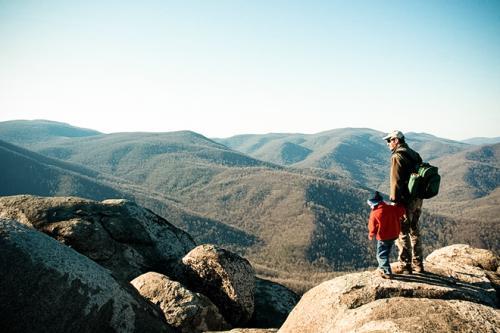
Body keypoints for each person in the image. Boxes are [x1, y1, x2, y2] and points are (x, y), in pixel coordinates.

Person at [383, 130, 424, 274]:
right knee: (415, 230)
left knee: (403, 232)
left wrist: (394, 201)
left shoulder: (397, 156)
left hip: (405, 200)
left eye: (389, 140)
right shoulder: (414, 154)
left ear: (396, 140)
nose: (388, 144)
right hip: (417, 199)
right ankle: (418, 265)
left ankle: (405, 265)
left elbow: (396, 181)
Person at [367, 191, 405, 279]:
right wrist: (400, 203)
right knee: (386, 252)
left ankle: (386, 272)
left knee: (381, 254)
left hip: (383, 237)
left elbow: (372, 227)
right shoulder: (392, 208)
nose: (370, 206)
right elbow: (402, 211)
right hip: (394, 235)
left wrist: (371, 234)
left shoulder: (375, 213)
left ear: (374, 204)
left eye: (370, 204)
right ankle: (383, 267)